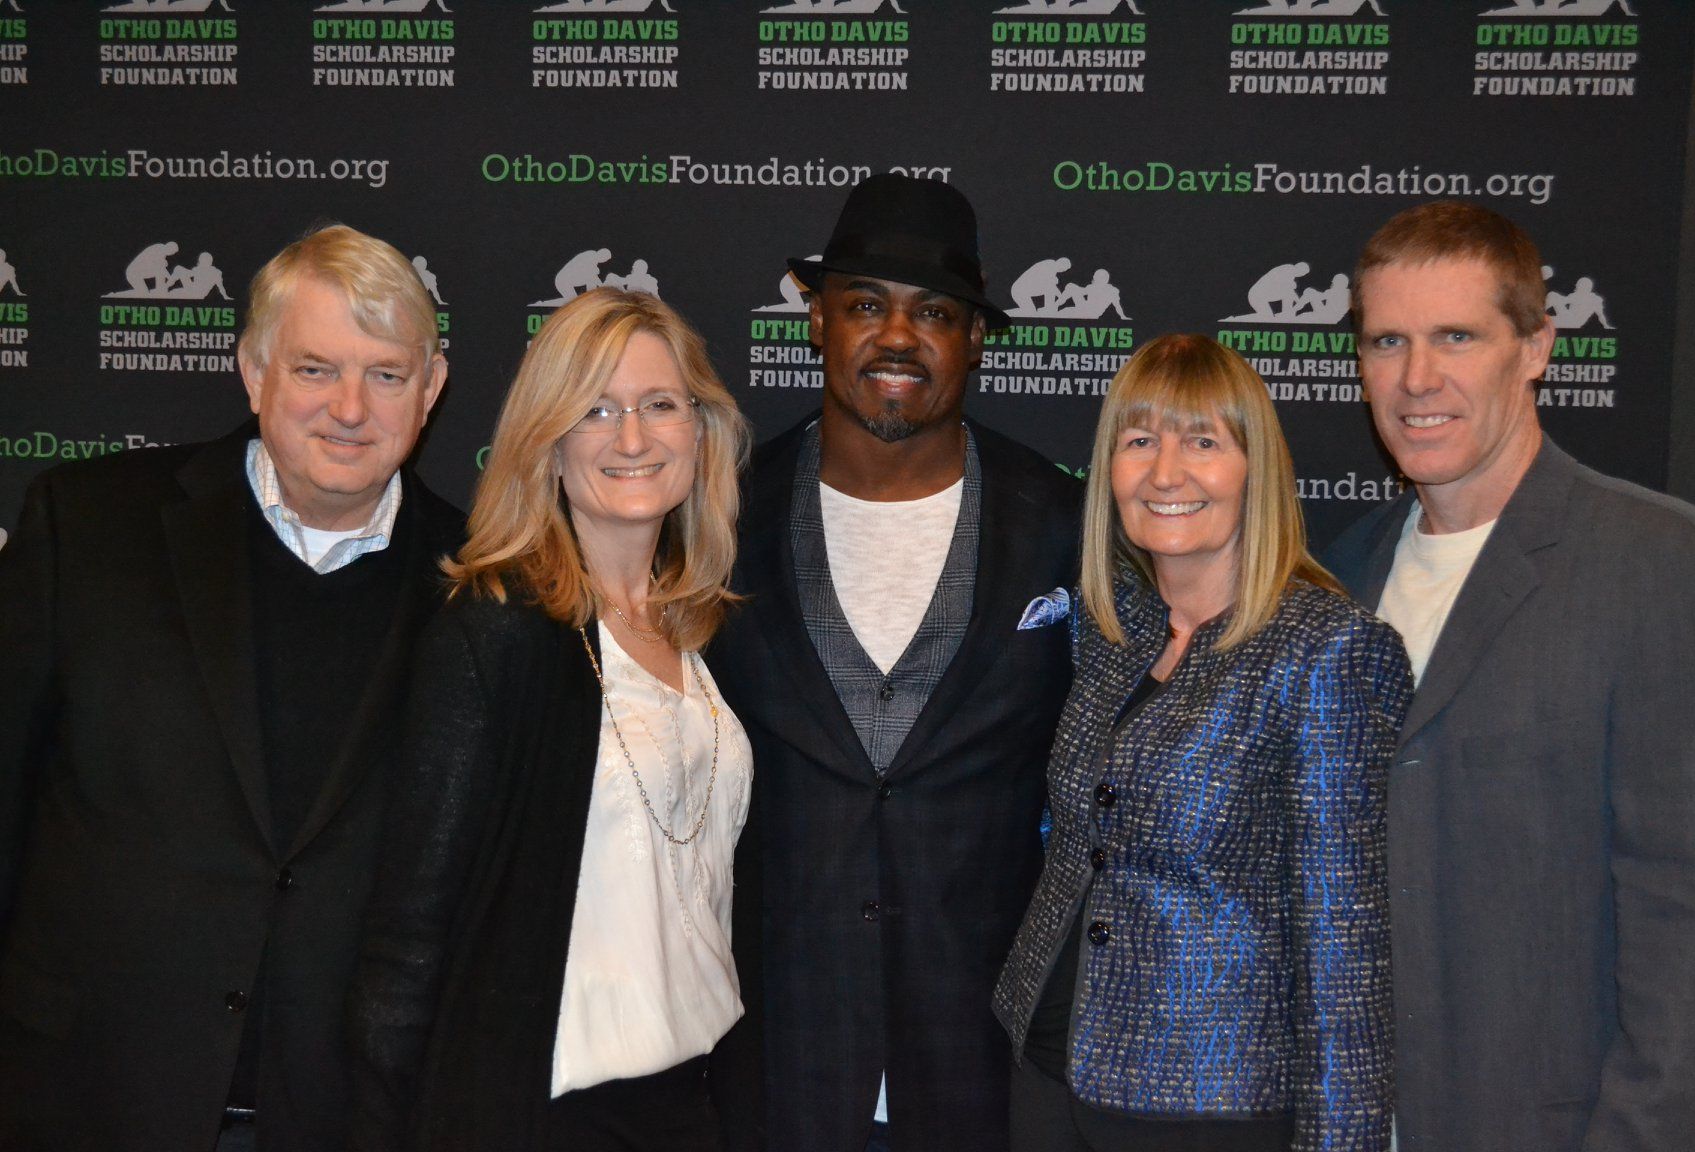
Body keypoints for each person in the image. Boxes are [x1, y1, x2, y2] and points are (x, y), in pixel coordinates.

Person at [0, 224, 462, 1152]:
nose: (348, 408)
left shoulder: (483, 582)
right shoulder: (87, 526)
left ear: (431, 390)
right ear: (252, 372)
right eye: (315, 368)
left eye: (386, 374)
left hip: (345, 1115)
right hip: (89, 1094)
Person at [1326, 200, 1695, 1152]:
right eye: (1388, 341)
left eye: (1456, 336)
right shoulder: (1341, 574)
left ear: (1537, 347)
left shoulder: (1666, 563)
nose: (1417, 379)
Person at [706, 173, 1083, 1152]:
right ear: (817, 322)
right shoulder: (712, 523)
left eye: (935, 313)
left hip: (985, 1074)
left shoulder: (1065, 526)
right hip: (769, 1066)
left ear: (974, 337)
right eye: (866, 305)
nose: (898, 338)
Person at [347, 288, 753, 1152]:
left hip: (690, 1098)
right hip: (547, 1112)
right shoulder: (496, 631)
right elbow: (409, 937)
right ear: (548, 444)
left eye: (660, 405)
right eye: (596, 410)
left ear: (701, 431)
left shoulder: (700, 626)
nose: (633, 437)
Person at [995, 334, 1410, 1152]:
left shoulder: (1328, 650)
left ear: (1256, 469)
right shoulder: (1110, 631)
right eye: (1139, 439)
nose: (1165, 473)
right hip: (1045, 1065)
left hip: (1210, 1101)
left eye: (1204, 442)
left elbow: (1346, 945)